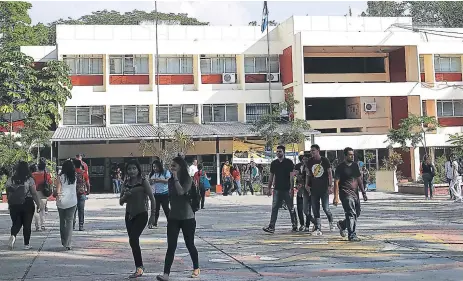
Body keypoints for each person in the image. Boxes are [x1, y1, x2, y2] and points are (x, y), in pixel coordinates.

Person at [157, 156, 200, 280]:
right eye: (171, 166)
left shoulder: (188, 180)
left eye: (174, 166)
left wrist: (175, 178)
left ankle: (196, 268)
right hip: (174, 218)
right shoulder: (170, 181)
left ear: (181, 167)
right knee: (171, 246)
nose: (172, 168)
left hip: (187, 218)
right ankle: (166, 274)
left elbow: (181, 192)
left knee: (189, 244)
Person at [120, 159, 156, 278]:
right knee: (133, 241)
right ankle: (139, 267)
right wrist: (126, 195)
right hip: (129, 215)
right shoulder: (125, 183)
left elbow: (152, 198)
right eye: (129, 169)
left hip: (142, 214)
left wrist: (153, 216)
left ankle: (139, 267)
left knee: (134, 238)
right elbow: (121, 202)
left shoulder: (143, 181)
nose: (132, 171)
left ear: (138, 169)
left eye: (134, 168)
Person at [333, 147, 368, 242]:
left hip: (355, 194)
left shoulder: (355, 166)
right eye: (350, 155)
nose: (352, 156)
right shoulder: (340, 167)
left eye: (353, 155)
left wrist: (363, 192)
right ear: (345, 156)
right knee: (351, 213)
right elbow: (336, 182)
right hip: (345, 193)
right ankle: (352, 234)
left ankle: (342, 225)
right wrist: (336, 197)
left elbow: (359, 179)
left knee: (357, 212)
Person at [6, 161, 42, 250]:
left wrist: (9, 202)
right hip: (27, 203)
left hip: (14, 204)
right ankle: (26, 244)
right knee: (27, 224)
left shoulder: (11, 179)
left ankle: (13, 235)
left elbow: (7, 191)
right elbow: (33, 193)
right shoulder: (29, 179)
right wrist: (38, 204)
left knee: (16, 222)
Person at [263, 145, 298, 233]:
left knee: (291, 208)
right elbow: (271, 177)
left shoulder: (289, 162)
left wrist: (291, 188)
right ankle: (271, 226)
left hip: (287, 188)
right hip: (277, 189)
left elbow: (291, 177)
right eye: (277, 151)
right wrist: (269, 188)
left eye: (280, 151)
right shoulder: (274, 163)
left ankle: (294, 225)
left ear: (284, 152)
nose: (278, 153)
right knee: (274, 208)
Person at [306, 144, 335, 236]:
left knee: (325, 207)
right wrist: (307, 184)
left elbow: (330, 173)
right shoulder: (309, 162)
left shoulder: (324, 160)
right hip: (314, 188)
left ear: (318, 150)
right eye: (311, 151)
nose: (312, 152)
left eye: (313, 150)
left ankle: (331, 221)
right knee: (315, 208)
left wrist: (330, 185)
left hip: (324, 188)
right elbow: (308, 174)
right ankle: (318, 227)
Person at [55, 160, 78, 250]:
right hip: (72, 201)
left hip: (62, 202)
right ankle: (68, 243)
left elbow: (58, 190)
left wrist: (58, 197)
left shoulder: (60, 177)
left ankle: (63, 240)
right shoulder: (74, 177)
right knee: (69, 221)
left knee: (62, 221)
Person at [295, 153, 316, 232]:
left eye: (306, 159)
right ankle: (302, 224)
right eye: (303, 159)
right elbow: (296, 177)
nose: (305, 161)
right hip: (300, 191)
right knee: (300, 209)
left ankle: (308, 225)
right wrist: (297, 185)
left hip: (308, 191)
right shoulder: (298, 166)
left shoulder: (312, 168)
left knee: (307, 209)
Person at [148, 159, 171, 228]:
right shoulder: (152, 174)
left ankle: (170, 222)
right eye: (153, 167)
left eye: (156, 167)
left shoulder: (165, 172)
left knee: (166, 209)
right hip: (156, 194)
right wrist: (151, 182)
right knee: (156, 209)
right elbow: (149, 183)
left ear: (159, 166)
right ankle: (154, 223)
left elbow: (169, 180)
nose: (155, 168)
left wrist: (160, 180)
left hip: (164, 194)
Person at [32, 159, 52, 231]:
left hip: (35, 193)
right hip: (43, 193)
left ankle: (37, 226)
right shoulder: (47, 175)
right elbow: (50, 183)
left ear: (38, 167)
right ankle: (43, 225)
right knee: (42, 210)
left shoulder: (33, 174)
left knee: (36, 210)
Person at [73, 159, 90, 231]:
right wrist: (88, 191)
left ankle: (72, 225)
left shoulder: (72, 173)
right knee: (81, 210)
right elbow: (87, 183)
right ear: (80, 165)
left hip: (73, 193)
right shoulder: (84, 173)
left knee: (73, 210)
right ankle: (81, 226)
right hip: (82, 193)